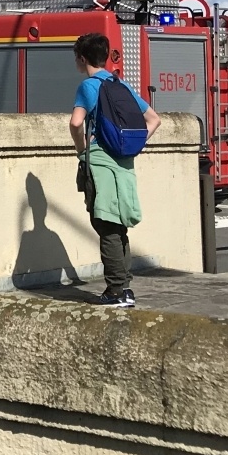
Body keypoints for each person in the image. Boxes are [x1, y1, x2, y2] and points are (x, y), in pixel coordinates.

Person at [68, 32, 162, 307]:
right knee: (119, 226)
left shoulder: (88, 86)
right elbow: (154, 120)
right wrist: (130, 145)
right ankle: (126, 288)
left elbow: (76, 123)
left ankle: (115, 291)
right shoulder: (120, 84)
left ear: (82, 58)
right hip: (124, 163)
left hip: (100, 162)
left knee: (105, 224)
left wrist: (82, 149)